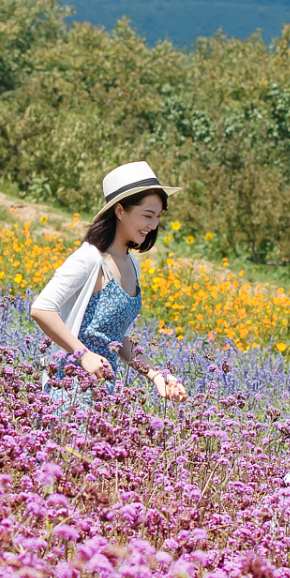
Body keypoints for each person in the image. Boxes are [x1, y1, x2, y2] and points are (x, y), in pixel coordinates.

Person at [30, 161, 188, 401]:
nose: (153, 225)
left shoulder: (131, 264)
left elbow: (115, 338)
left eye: (157, 217)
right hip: (70, 390)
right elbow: (42, 308)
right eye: (147, 215)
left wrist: (156, 375)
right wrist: (83, 354)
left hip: (104, 392)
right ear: (120, 211)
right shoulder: (89, 259)